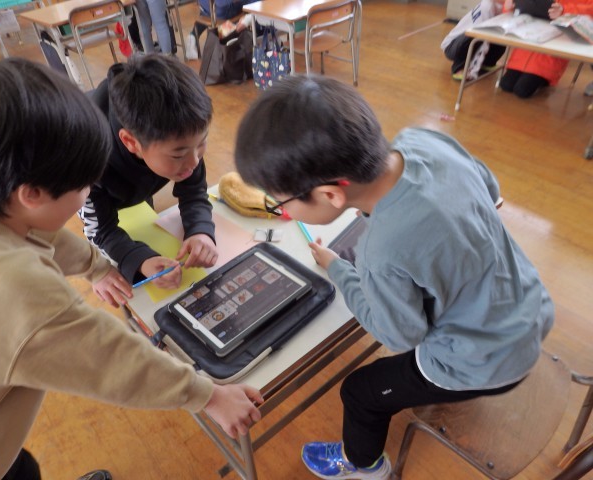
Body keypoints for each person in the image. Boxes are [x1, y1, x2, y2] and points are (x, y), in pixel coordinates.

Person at [0, 58, 263, 480]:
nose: (88, 193)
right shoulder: (13, 291)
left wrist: (96, 267)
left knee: (18, 467)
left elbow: (34, 232)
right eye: (84, 186)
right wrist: (209, 396)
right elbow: (111, 359)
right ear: (32, 194)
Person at [234, 75, 554, 480]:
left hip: (486, 361)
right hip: (531, 306)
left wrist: (339, 268)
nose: (284, 211)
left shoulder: (379, 251)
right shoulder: (424, 141)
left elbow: (401, 335)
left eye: (281, 203)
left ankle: (364, 465)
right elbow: (491, 192)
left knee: (359, 392)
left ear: (331, 194)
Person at [79, 54, 219, 291]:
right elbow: (100, 231)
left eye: (201, 143)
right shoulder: (85, 163)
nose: (194, 161)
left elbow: (194, 192)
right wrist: (140, 259)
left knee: (144, 201)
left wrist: (200, 230)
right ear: (131, 142)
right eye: (178, 155)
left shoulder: (182, 139)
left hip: (134, 168)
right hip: (93, 174)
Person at [500, 0, 593, 98]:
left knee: (522, 90)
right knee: (506, 85)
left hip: (552, 52)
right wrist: (508, 7)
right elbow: (513, 10)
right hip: (528, 42)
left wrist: (564, 10)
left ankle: (544, 79)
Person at [440, 0, 507, 80]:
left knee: (503, 33)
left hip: (465, 41)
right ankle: (460, 68)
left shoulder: (505, 7)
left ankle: (488, 63)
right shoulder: (488, 6)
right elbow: (484, 38)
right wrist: (473, 70)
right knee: (476, 35)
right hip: (452, 46)